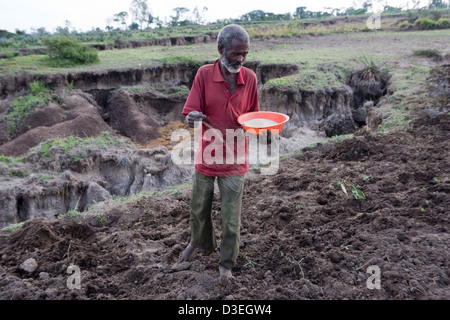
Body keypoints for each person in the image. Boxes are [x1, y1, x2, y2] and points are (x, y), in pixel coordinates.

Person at [179, 24, 259, 278]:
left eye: (244, 53)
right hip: (208, 152)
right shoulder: (204, 74)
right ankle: (199, 242)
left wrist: (264, 129)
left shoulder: (251, 78)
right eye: (236, 53)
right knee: (199, 206)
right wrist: (192, 117)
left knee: (231, 214)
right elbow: (190, 114)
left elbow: (255, 116)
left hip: (236, 156)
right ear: (221, 49)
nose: (241, 59)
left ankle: (226, 264)